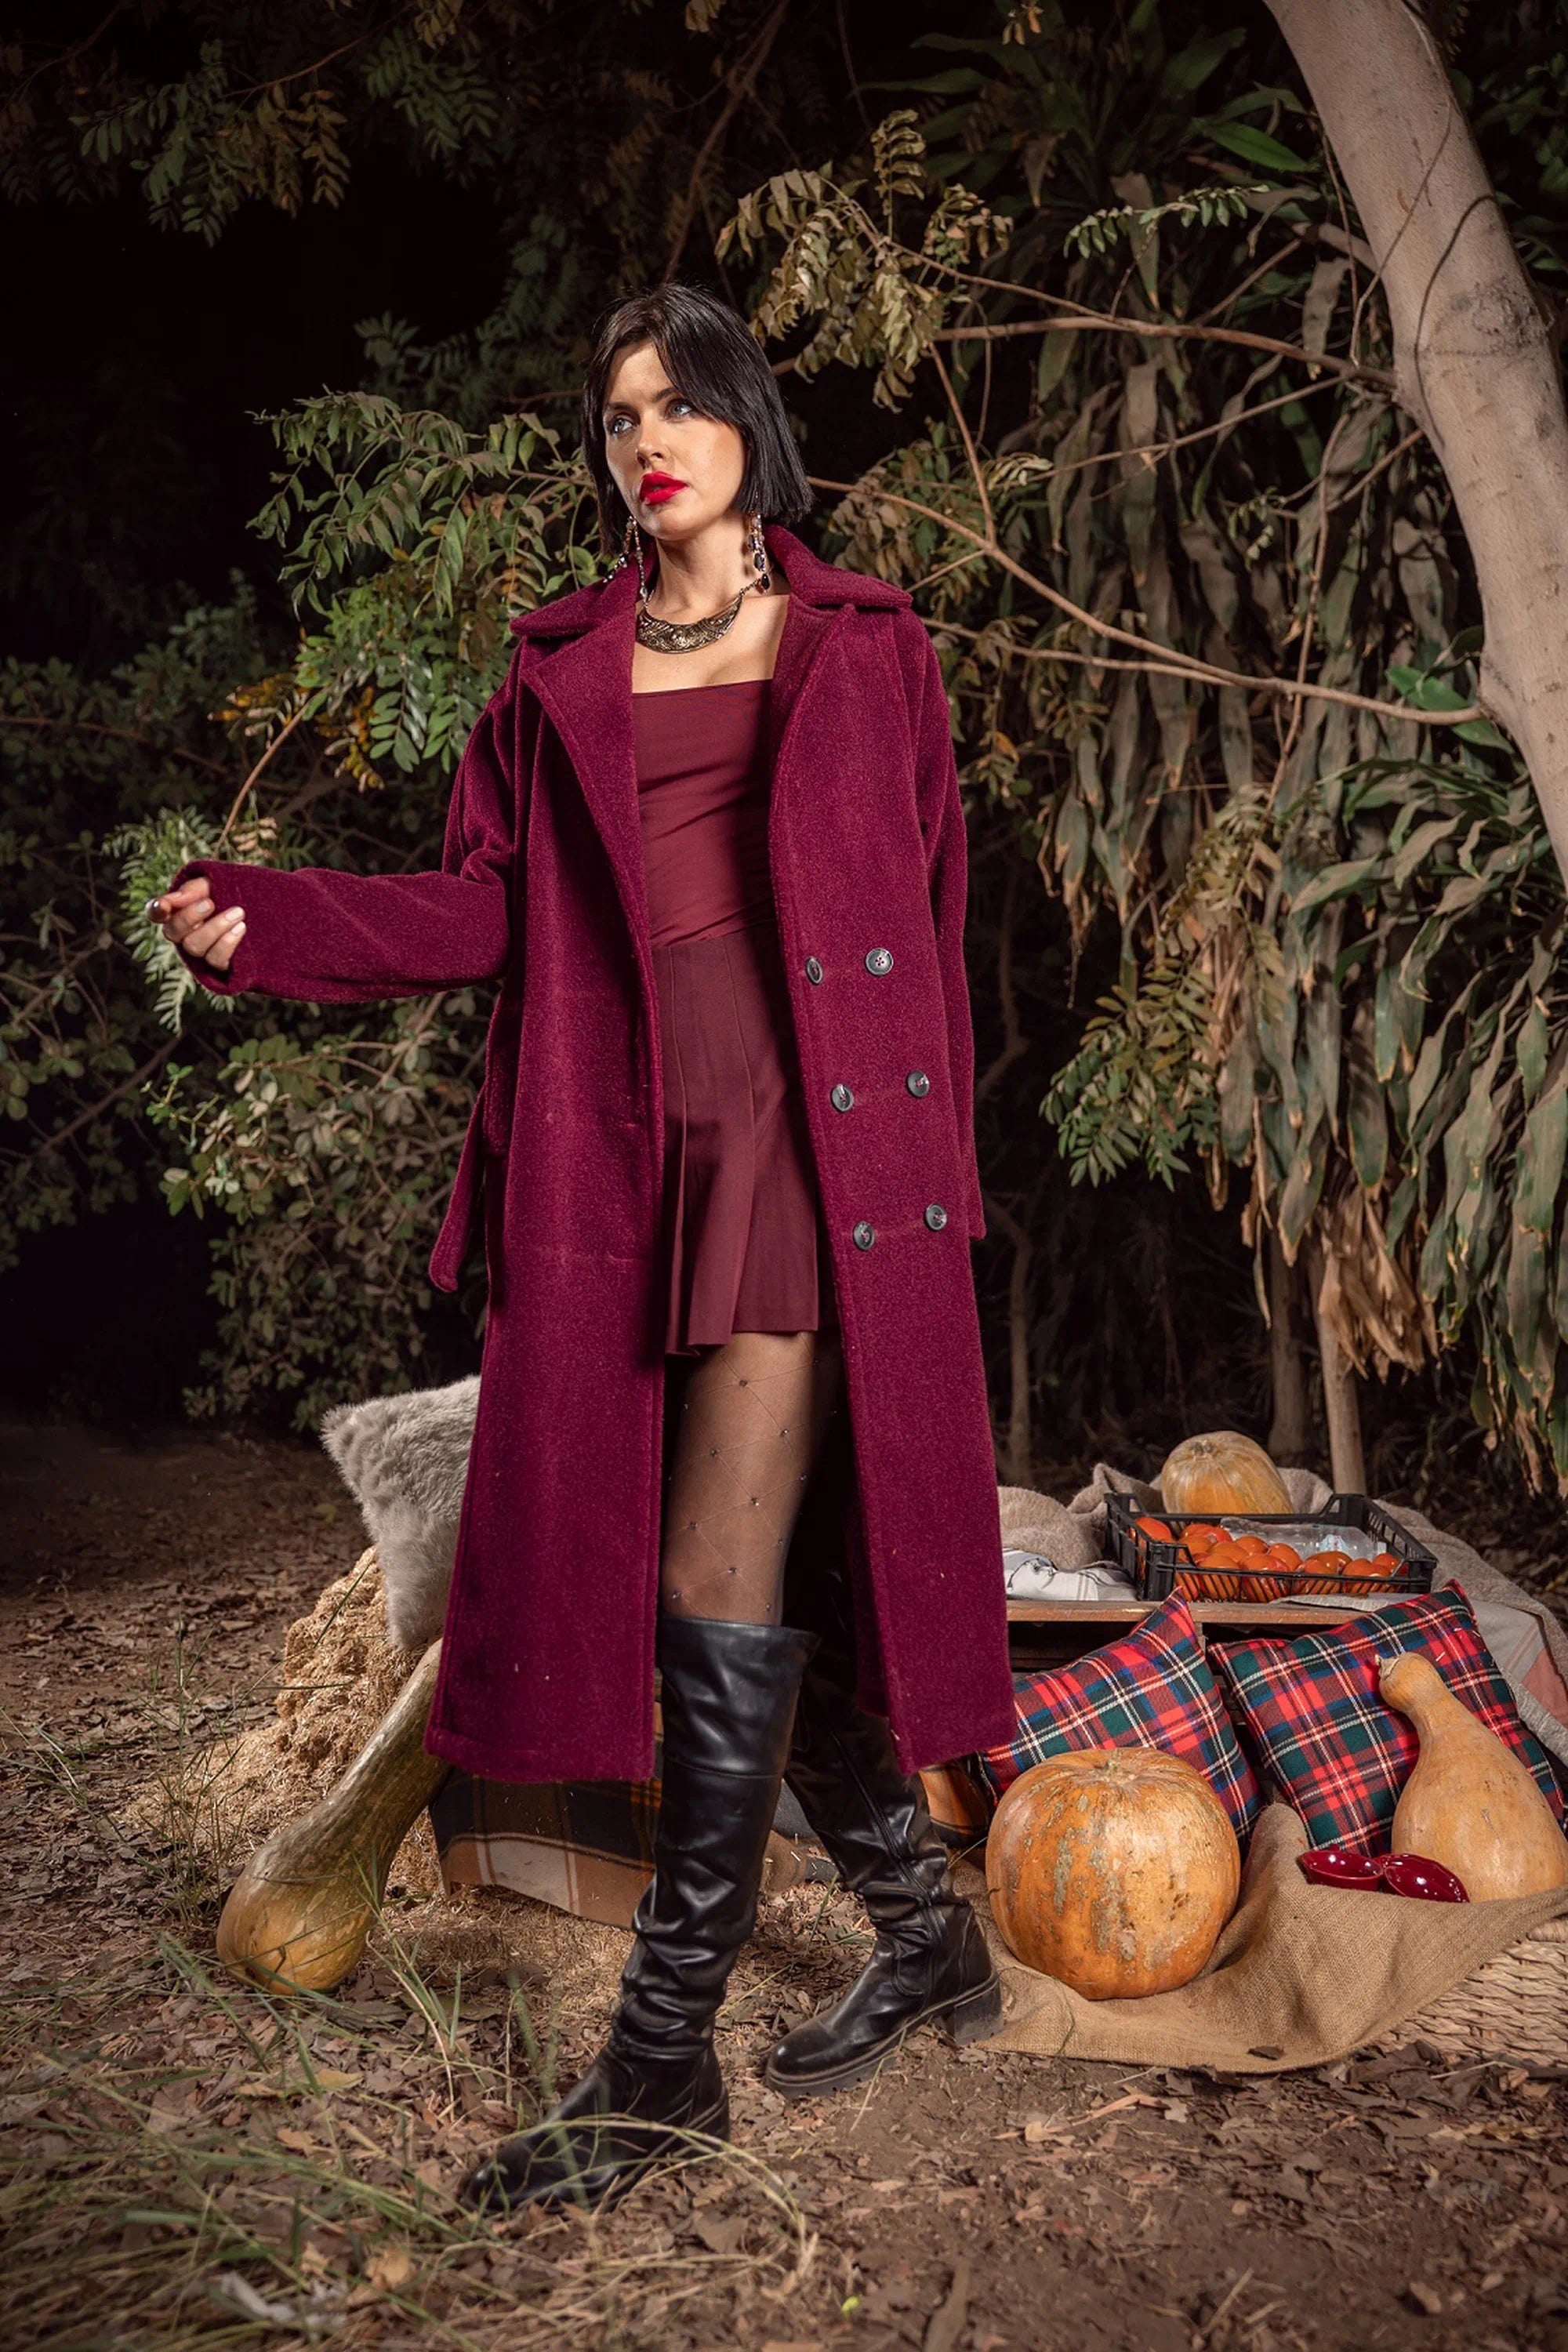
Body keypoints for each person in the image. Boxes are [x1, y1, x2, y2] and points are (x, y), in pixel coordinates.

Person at [147, 283, 1014, 2215]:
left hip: (808, 1160)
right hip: (623, 1163)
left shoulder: (867, 648)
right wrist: (269, 920)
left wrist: (928, 1175)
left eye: (680, 402)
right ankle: (922, 1929)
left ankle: (655, 2063)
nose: (649, 439)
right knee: (743, 1586)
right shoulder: (557, 671)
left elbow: (931, 918)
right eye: (620, 415)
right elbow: (477, 918)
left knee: (716, 1573)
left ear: (743, 426)